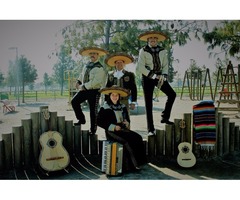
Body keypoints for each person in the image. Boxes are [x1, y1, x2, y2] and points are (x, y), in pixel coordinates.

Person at [97, 85, 147, 171]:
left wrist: (127, 123)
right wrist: (113, 127)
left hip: (123, 130)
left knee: (138, 138)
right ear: (109, 96)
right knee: (126, 142)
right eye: (113, 95)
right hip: (111, 132)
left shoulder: (123, 106)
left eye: (116, 95)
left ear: (119, 96)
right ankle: (133, 166)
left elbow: (127, 119)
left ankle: (140, 162)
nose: (115, 97)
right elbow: (99, 121)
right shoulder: (104, 107)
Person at [136, 30, 176, 136]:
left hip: (160, 76)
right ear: (148, 40)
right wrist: (153, 76)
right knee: (148, 103)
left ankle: (165, 117)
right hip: (147, 77)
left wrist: (164, 75)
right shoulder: (143, 50)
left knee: (172, 94)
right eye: (151, 39)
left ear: (157, 40)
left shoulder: (163, 51)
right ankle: (151, 129)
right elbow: (140, 67)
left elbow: (166, 65)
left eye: (155, 39)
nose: (153, 40)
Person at [71, 46, 108, 135]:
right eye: (91, 54)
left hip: (94, 91)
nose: (92, 55)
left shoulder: (100, 68)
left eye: (94, 54)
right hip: (84, 89)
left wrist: (83, 86)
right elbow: (82, 75)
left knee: (93, 111)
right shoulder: (86, 66)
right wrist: (78, 81)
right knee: (74, 102)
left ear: (98, 55)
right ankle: (81, 119)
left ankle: (93, 130)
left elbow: (96, 82)